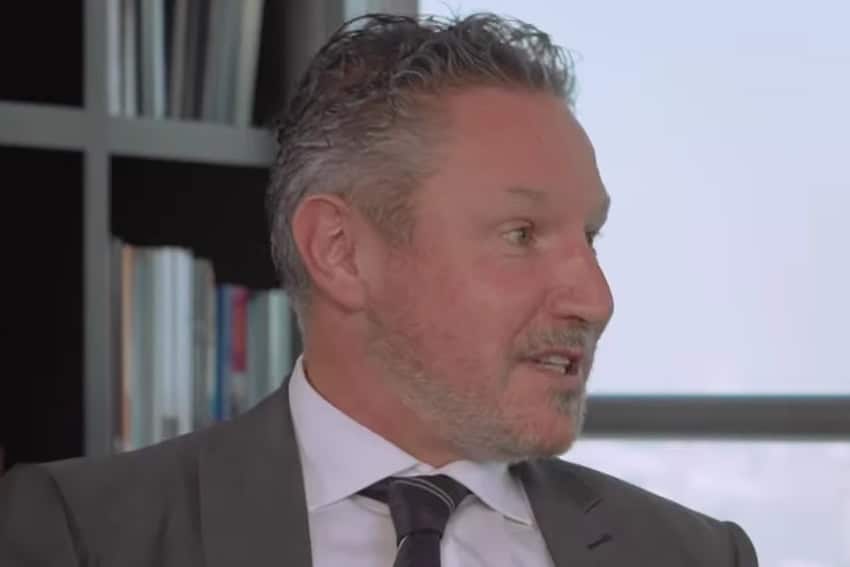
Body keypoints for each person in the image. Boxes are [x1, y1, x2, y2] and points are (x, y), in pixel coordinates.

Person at [0, 12, 759, 566]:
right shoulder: (78, 535)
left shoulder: (696, 553)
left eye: (588, 237)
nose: (595, 299)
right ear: (341, 252)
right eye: (521, 234)